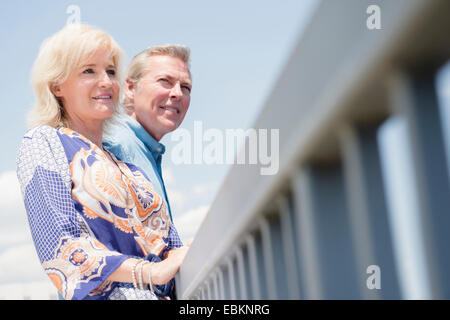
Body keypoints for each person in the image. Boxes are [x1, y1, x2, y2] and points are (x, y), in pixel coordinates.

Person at [16, 24, 189, 300]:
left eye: (110, 71)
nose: (106, 82)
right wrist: (150, 273)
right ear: (57, 85)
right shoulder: (44, 142)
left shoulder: (129, 169)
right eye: (89, 71)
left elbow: (172, 250)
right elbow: (60, 248)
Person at [103, 44, 192, 223]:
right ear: (130, 88)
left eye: (185, 87)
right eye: (165, 81)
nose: (177, 93)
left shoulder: (146, 151)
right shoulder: (114, 144)